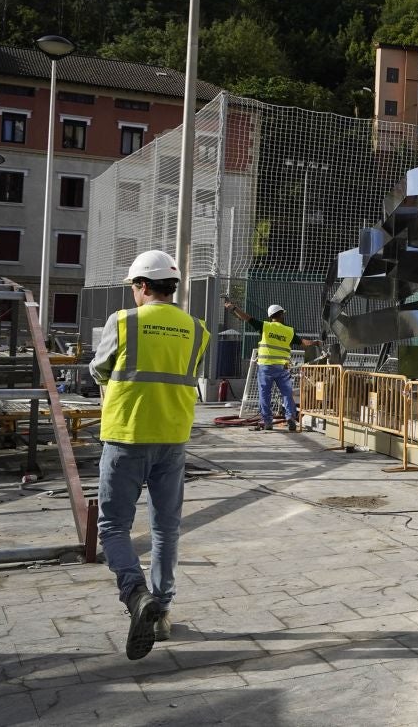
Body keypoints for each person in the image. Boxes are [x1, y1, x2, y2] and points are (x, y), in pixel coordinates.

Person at [90, 250, 210, 660]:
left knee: (113, 527)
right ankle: (161, 612)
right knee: (165, 529)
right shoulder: (197, 328)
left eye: (133, 288)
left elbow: (100, 369)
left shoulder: (123, 321)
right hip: (173, 437)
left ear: (142, 286)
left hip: (126, 435)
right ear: (171, 287)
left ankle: (135, 593)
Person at [224, 300, 318, 431]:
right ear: (281, 315)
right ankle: (290, 417)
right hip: (283, 368)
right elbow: (303, 342)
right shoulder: (289, 331)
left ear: (270, 316)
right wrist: (315, 342)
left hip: (266, 367)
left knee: (264, 394)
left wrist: (233, 308)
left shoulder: (265, 326)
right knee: (287, 393)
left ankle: (267, 421)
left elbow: (246, 317)